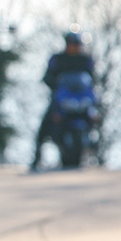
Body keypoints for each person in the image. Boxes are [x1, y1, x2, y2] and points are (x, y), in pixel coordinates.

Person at [30, 30, 96, 170]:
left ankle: (95, 155)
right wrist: (54, 84)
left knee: (94, 117)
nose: (75, 46)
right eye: (72, 44)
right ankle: (36, 160)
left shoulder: (85, 59)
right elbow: (48, 76)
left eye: (77, 44)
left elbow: (92, 78)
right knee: (45, 126)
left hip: (81, 98)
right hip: (61, 99)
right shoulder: (58, 59)